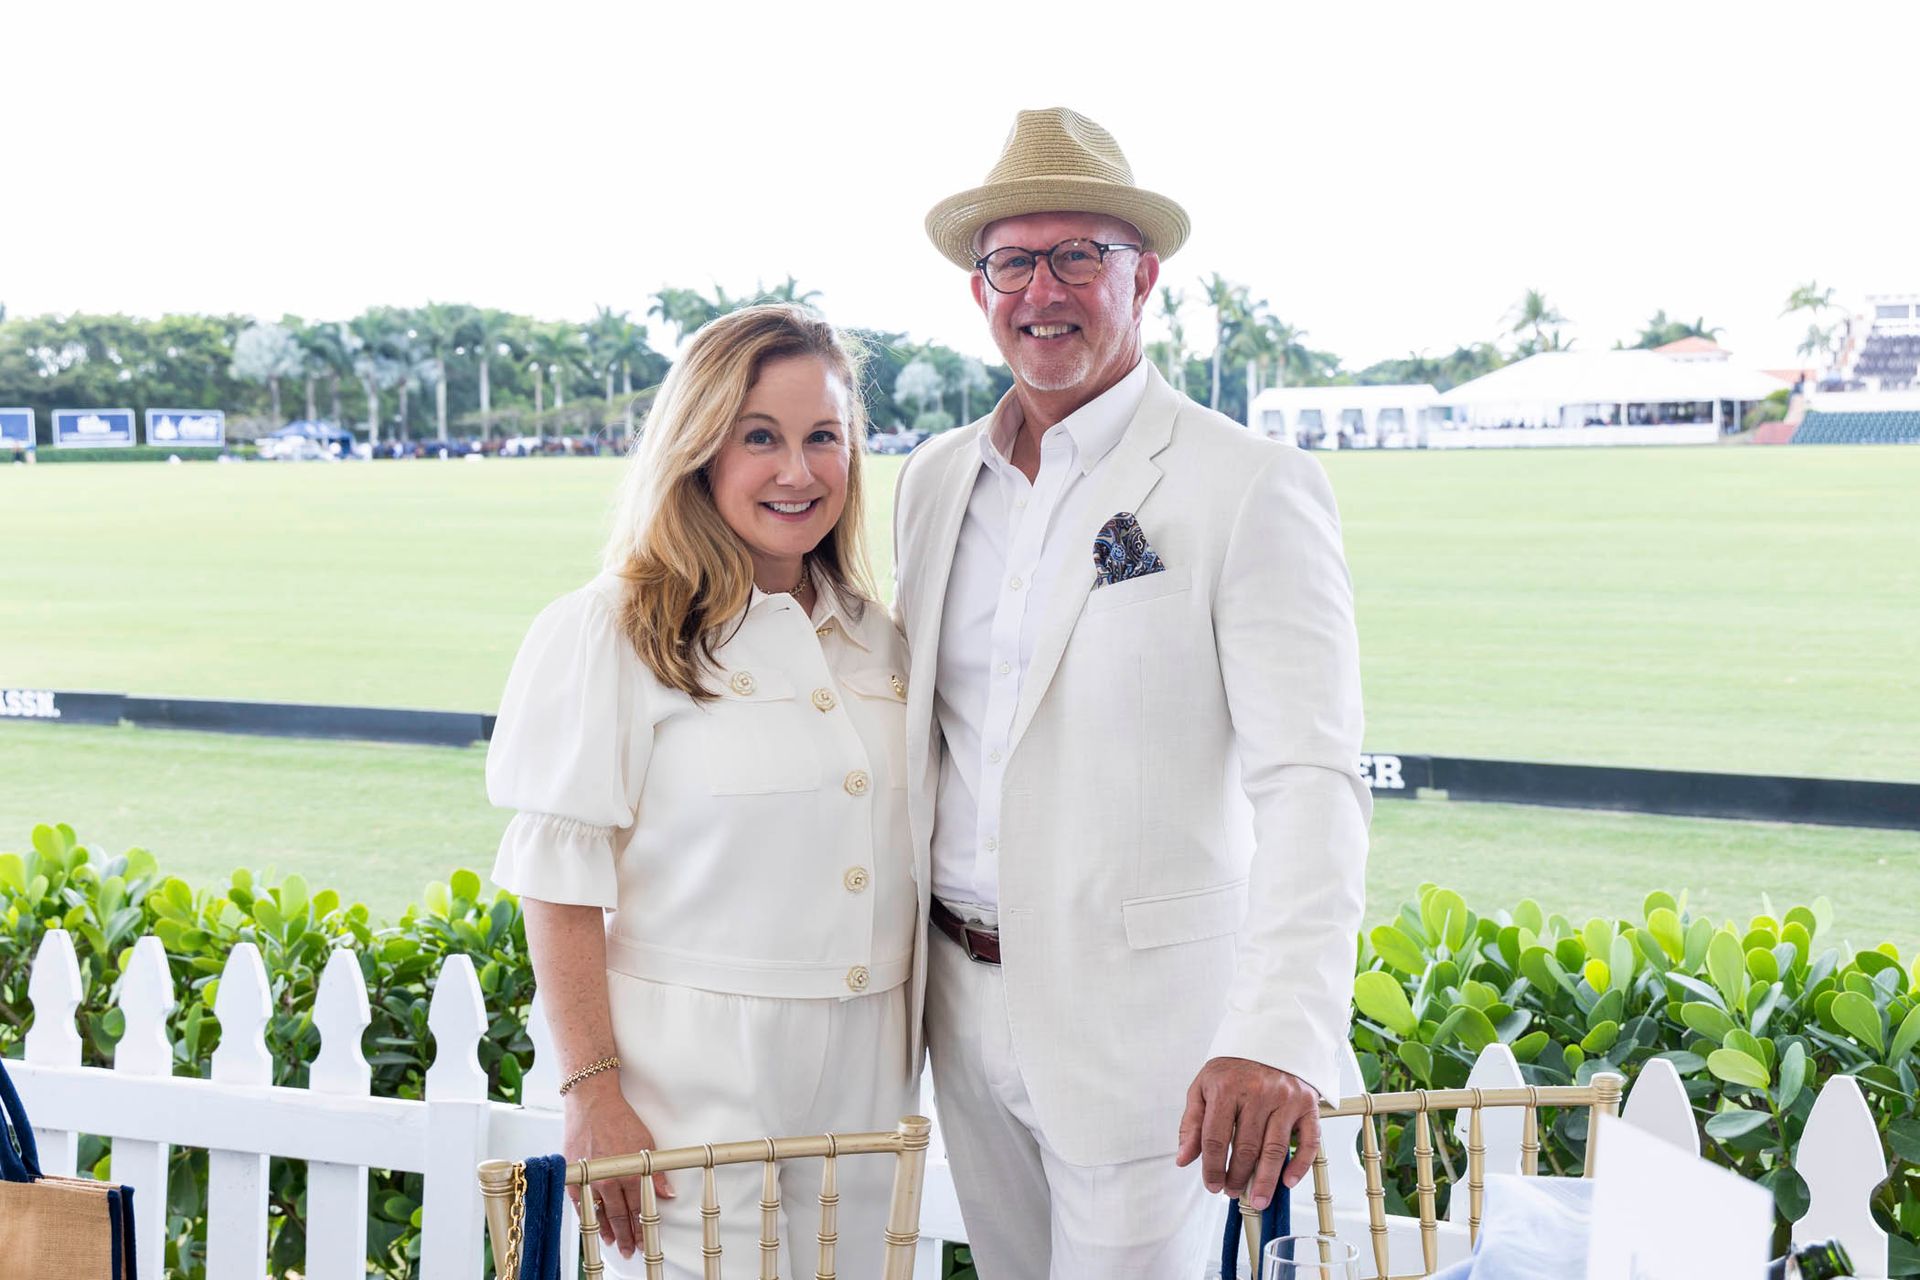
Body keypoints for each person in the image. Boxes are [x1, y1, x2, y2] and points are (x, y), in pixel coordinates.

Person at [895, 108, 1371, 1278]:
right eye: (1013, 260)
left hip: (1149, 1036)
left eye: (1079, 256)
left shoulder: (1248, 483)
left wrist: (1278, 1031)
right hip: (958, 1006)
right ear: (980, 287)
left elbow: (1311, 776)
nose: (1041, 289)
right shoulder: (931, 481)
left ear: (1143, 276)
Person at [487, 304, 920, 1278]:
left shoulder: (875, 635)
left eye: (825, 437)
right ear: (696, 448)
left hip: (869, 1078)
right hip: (689, 1081)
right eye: (758, 435)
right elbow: (560, 881)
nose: (798, 470)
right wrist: (591, 1087)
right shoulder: (610, 631)